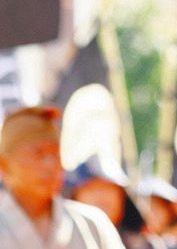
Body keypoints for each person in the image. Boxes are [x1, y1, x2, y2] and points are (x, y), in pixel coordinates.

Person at [0, 105, 123, 248]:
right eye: (38, 154)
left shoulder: (92, 224)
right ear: (4, 165)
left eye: (55, 154)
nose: (50, 165)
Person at [68, 155, 163, 248]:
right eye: (94, 189)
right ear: (75, 195)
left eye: (109, 189)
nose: (102, 198)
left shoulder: (140, 243)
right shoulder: (61, 237)